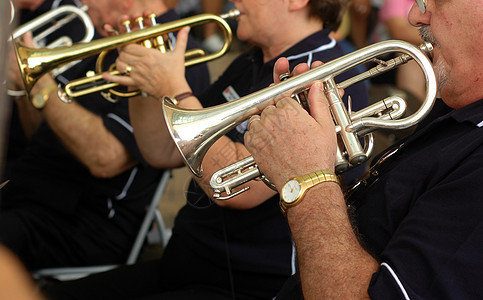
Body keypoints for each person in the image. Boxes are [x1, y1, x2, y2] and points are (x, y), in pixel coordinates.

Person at [43, 0, 368, 299]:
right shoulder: (250, 60)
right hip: (185, 260)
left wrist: (174, 87)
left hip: (249, 285)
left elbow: (238, 188)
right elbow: (163, 152)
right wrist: (144, 83)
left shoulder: (329, 70)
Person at [244, 0, 483, 298]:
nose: (414, 15)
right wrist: (320, 148)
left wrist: (308, 179)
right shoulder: (453, 110)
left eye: (438, 1)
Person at [1, 0, 210, 271]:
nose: (81, 3)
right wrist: (26, 88)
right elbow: (39, 134)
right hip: (31, 195)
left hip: (82, 222)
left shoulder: (177, 56)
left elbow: (106, 159)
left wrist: (41, 85)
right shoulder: (103, 40)